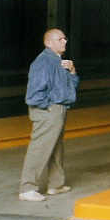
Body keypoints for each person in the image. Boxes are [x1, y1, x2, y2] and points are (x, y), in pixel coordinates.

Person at [18, 28, 79, 202]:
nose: (65, 42)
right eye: (60, 39)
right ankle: (27, 188)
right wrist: (49, 107)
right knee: (40, 148)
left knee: (56, 148)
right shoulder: (43, 62)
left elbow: (69, 87)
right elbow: (33, 94)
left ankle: (56, 185)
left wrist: (72, 71)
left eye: (65, 39)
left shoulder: (58, 61)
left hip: (59, 109)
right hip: (49, 111)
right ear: (48, 43)